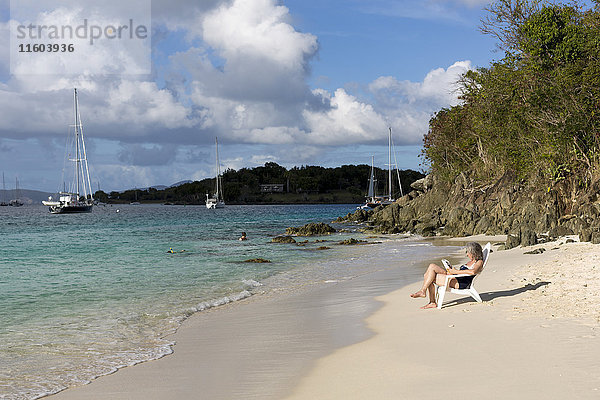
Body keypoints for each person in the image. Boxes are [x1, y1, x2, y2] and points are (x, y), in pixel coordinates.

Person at [410, 242, 484, 309]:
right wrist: (452, 271)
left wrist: (456, 271)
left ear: (473, 253)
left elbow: (473, 271)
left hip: (460, 283)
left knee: (428, 276)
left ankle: (428, 298)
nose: (467, 254)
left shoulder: (479, 262)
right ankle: (424, 293)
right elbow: (464, 272)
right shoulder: (471, 261)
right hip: (455, 277)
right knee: (432, 266)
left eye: (468, 252)